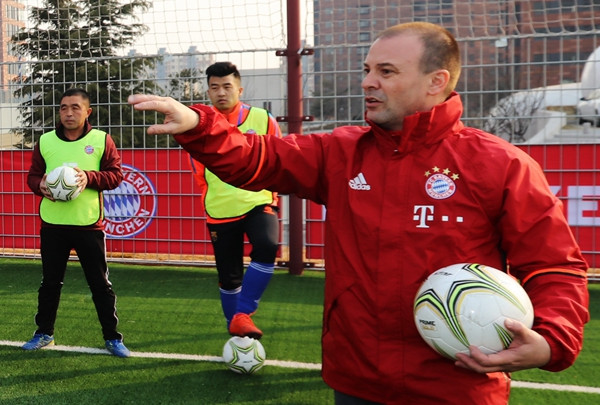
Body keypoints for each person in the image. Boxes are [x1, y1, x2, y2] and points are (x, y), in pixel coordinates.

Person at [129, 22, 589, 404]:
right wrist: (198, 125)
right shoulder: (341, 152)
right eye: (367, 69)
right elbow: (259, 158)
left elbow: (554, 265)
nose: (368, 81)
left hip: (457, 385)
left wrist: (552, 339)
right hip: (355, 381)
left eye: (387, 71)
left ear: (437, 82)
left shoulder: (500, 164)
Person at [24, 88, 130, 358]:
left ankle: (112, 338)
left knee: (99, 284)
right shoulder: (46, 141)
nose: (68, 113)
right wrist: (41, 186)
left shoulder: (102, 140)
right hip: (53, 224)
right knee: (50, 283)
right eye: (63, 108)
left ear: (87, 112)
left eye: (75, 107)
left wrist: (88, 178)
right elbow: (33, 176)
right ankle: (44, 333)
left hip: (88, 225)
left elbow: (115, 175)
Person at [189, 62, 282, 339]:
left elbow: (279, 155)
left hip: (259, 200)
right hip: (220, 209)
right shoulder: (201, 123)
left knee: (267, 245)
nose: (221, 92)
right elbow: (199, 171)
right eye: (215, 87)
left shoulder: (263, 118)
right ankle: (237, 333)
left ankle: (243, 314)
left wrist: (271, 191)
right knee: (229, 277)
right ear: (208, 91)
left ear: (239, 89)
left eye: (227, 86)